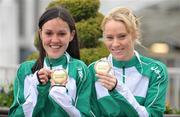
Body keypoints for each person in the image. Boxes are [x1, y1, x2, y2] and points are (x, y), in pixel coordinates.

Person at [9, 6, 92, 117]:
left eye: (61, 34)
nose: (55, 40)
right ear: (40, 34)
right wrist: (37, 89)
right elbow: (15, 115)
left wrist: (60, 96)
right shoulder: (25, 70)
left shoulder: (80, 70)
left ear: (71, 35)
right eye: (48, 33)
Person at [89, 7, 168, 117]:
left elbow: (154, 114)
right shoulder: (93, 70)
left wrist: (117, 88)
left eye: (122, 36)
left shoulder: (156, 71)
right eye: (109, 37)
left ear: (135, 34)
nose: (115, 44)